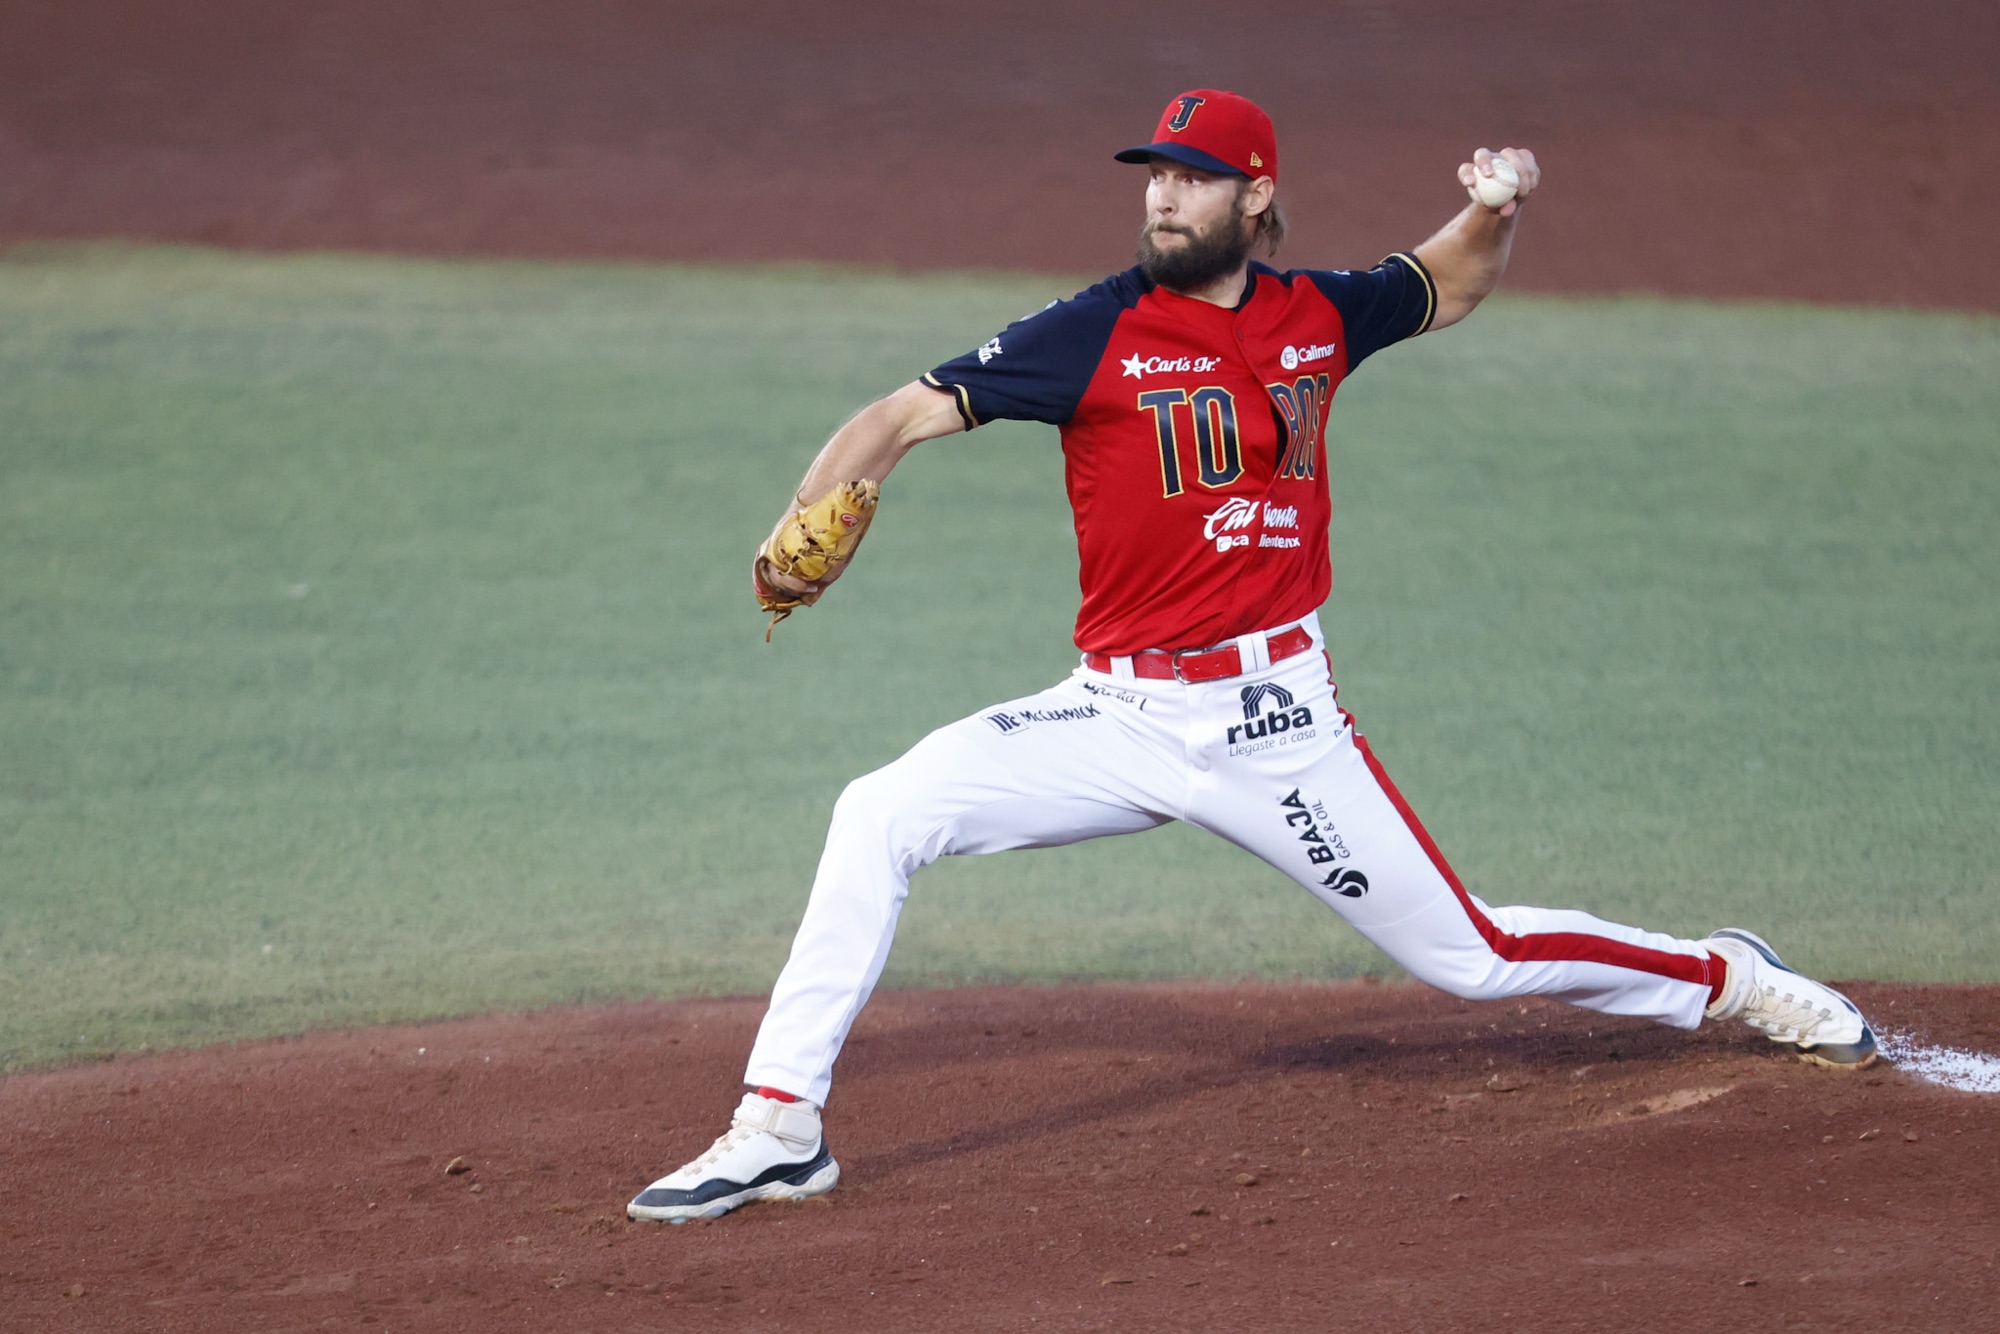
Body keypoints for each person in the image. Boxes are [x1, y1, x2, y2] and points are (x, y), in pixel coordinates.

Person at [627, 89, 1877, 1225]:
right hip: (1113, 718)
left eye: (1192, 176)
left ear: (1254, 194)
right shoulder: (1091, 330)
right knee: (878, 810)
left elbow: (1445, 284)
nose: (1163, 196)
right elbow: (899, 413)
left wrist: (1491, 211)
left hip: (1278, 725)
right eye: (1154, 176)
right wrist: (805, 513)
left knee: (1473, 955)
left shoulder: (1317, 313)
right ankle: (778, 1126)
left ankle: (1728, 976)